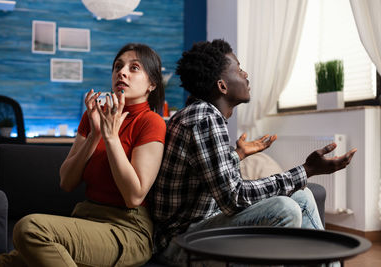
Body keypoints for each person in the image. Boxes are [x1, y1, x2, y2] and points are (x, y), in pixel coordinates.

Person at [150, 39, 356, 266]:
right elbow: (233, 197)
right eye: (238, 69)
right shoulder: (203, 117)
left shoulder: (201, 114)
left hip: (200, 228)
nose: (246, 74)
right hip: (179, 242)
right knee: (284, 209)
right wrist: (306, 170)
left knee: (302, 196)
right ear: (222, 86)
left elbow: (211, 177)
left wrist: (237, 154)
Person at [0, 43, 166, 267]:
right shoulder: (94, 117)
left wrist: (111, 138)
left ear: (152, 83)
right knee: (4, 263)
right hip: (85, 220)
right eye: (118, 66)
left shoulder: (150, 122)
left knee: (29, 228)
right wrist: (94, 136)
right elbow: (66, 181)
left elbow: (133, 196)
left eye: (134, 68)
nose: (122, 72)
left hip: (127, 229)